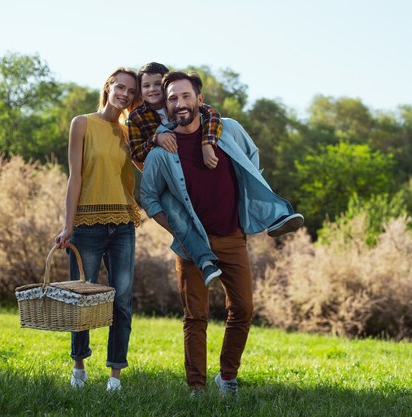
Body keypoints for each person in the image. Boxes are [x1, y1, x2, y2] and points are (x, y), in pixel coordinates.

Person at [139, 71, 301, 395]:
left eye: (186, 96)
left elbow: (251, 158)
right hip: (191, 247)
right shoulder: (160, 153)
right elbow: (148, 197)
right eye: (172, 98)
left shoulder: (228, 130)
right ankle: (196, 387)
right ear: (167, 106)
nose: (180, 103)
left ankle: (227, 377)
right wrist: (179, 232)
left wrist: (247, 201)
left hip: (232, 236)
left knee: (243, 309)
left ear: (199, 100)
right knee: (195, 316)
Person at [131, 63, 303, 287]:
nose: (153, 89)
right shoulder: (137, 117)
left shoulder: (188, 107)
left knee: (247, 172)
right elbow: (136, 153)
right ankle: (204, 260)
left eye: (158, 84)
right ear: (140, 90)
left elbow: (212, 115)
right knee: (172, 208)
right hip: (165, 180)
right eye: (146, 86)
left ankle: (274, 216)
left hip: (229, 230)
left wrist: (207, 143)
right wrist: (156, 138)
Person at [54, 67, 140, 392]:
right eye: (121, 87)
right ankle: (79, 367)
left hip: (122, 225)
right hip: (86, 226)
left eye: (131, 91)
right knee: (81, 298)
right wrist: (67, 225)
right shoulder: (82, 123)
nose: (125, 94)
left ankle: (115, 377)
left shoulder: (127, 132)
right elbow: (74, 177)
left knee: (122, 301)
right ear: (108, 86)